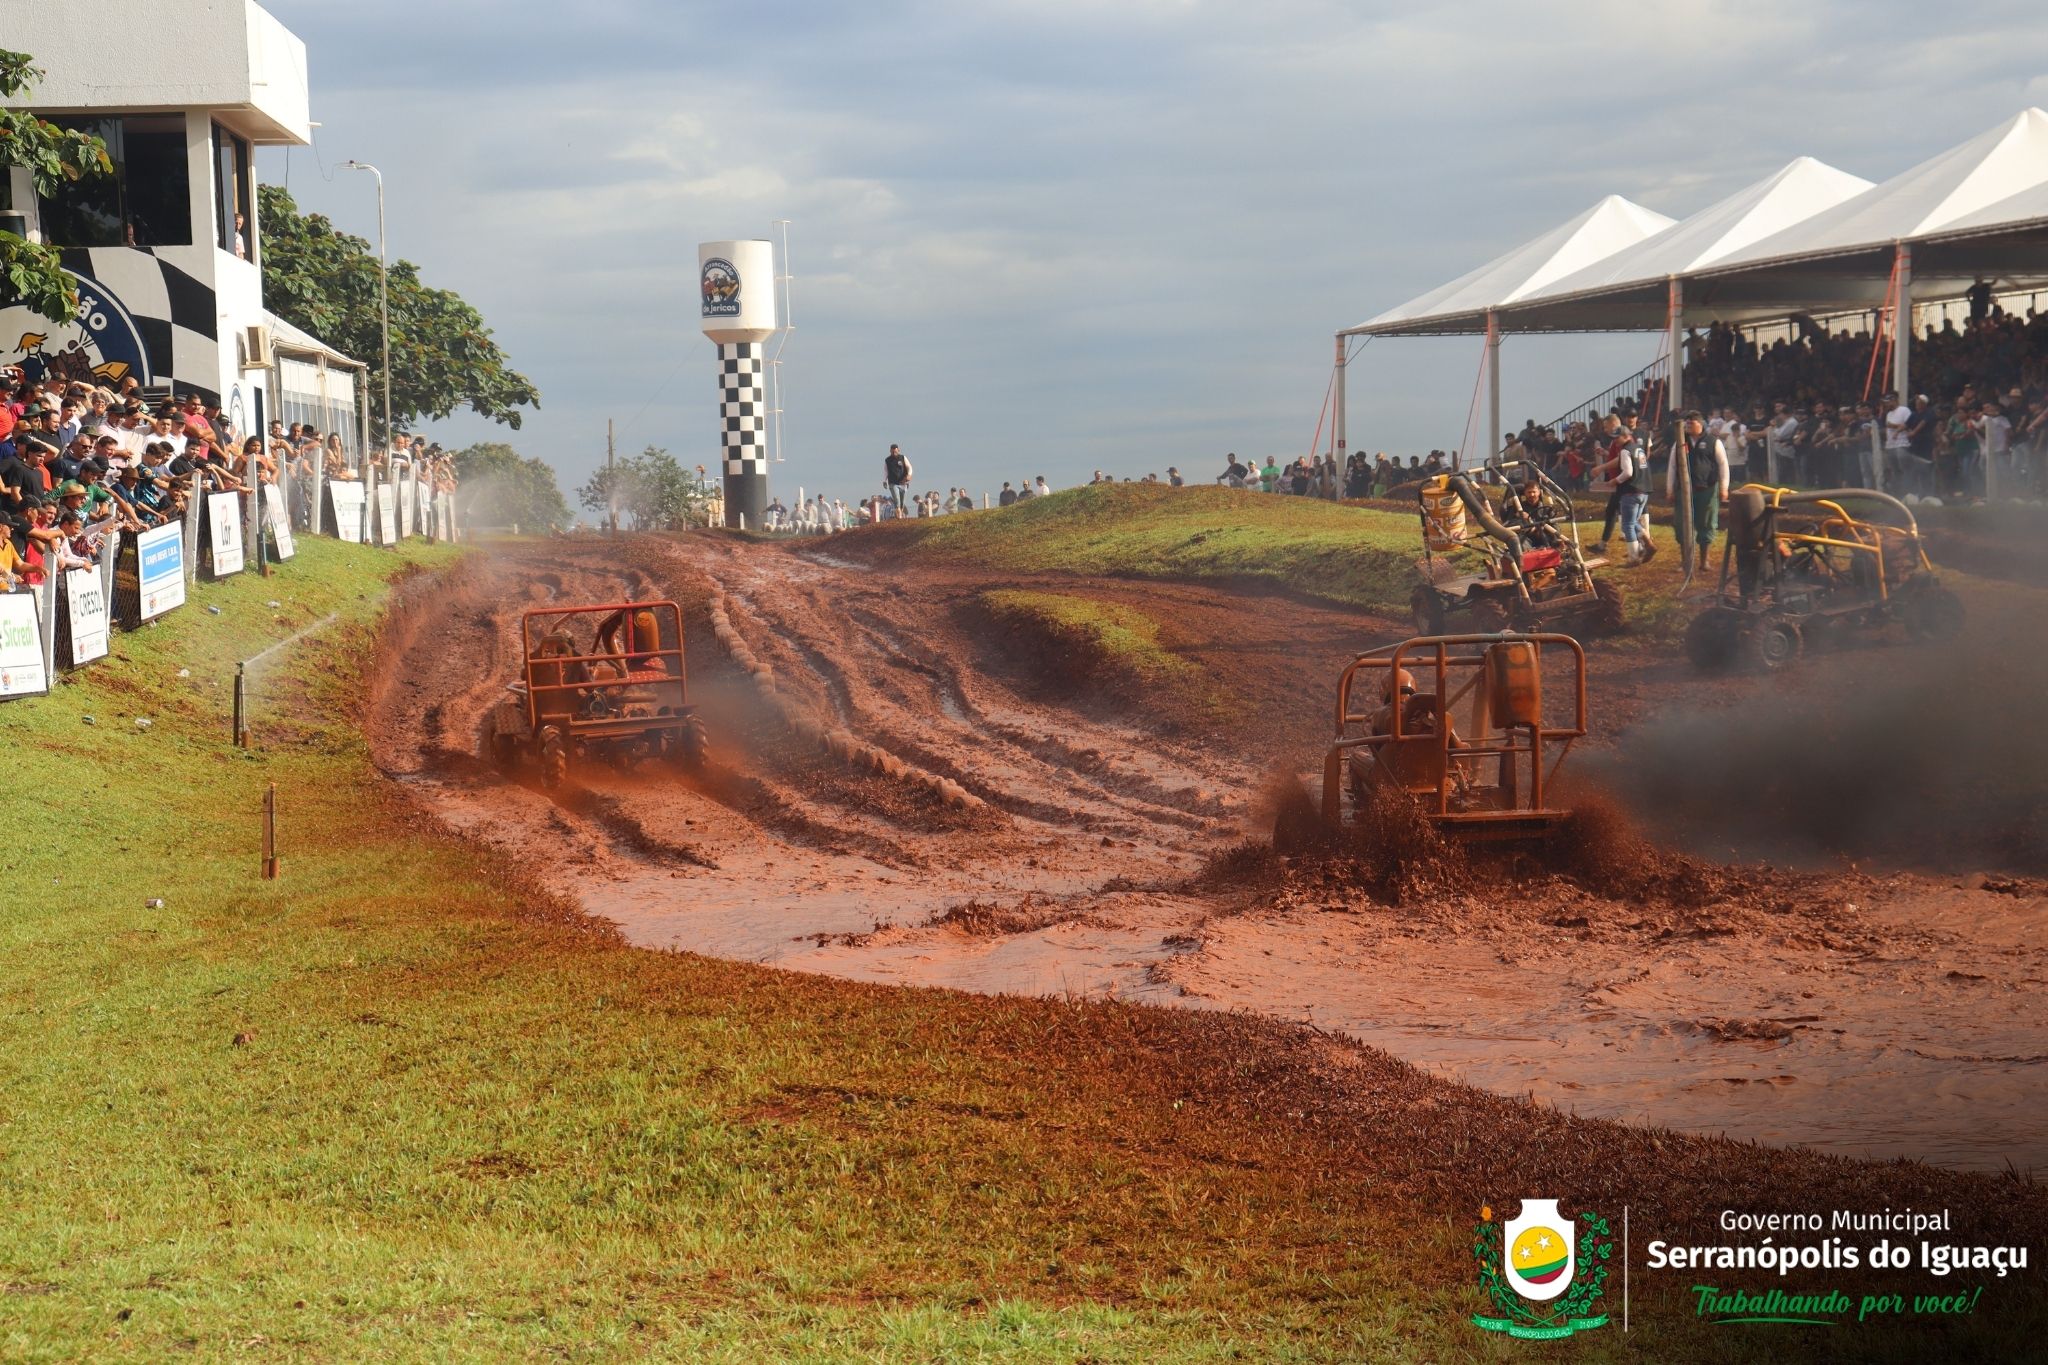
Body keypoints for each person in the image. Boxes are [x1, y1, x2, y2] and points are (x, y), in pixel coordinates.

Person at [1669, 410, 1729, 559]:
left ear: (1700, 423)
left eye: (1692, 422)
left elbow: (1723, 465)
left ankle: (1704, 560)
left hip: (1707, 489)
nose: (1688, 425)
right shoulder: (1680, 442)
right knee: (1681, 524)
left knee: (1706, 522)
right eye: (1687, 422)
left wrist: (1724, 488)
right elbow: (1672, 466)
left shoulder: (1714, 442)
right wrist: (1669, 489)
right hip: (1684, 490)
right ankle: (1685, 560)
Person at [883, 444, 911, 512]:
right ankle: (898, 513)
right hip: (892, 482)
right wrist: (884, 481)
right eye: (892, 452)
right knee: (897, 499)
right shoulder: (887, 460)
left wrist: (909, 475)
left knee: (902, 502)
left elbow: (909, 467)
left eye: (895, 451)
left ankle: (900, 511)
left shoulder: (903, 458)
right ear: (890, 451)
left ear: (898, 450)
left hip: (903, 482)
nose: (894, 453)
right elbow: (886, 471)